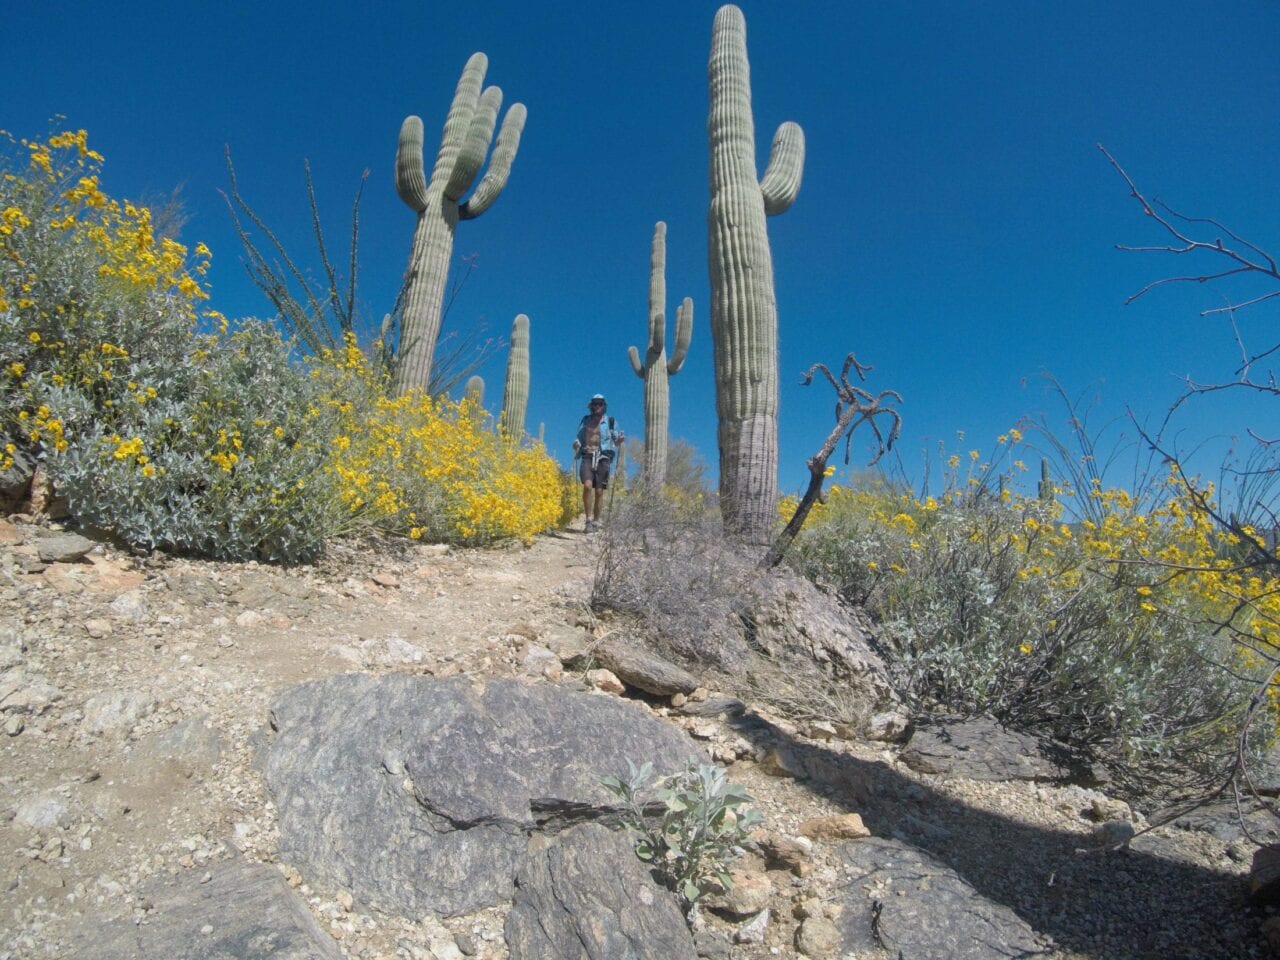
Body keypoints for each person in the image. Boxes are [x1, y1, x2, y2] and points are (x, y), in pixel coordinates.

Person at [572, 394, 624, 532]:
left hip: (604, 457)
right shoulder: (585, 420)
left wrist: (619, 440)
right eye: (595, 403)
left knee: (600, 491)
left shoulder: (610, 421)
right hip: (587, 454)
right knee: (588, 486)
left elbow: (616, 440)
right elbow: (579, 437)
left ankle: (596, 521)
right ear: (591, 406)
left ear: (604, 406)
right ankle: (588, 520)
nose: (597, 406)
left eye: (600, 404)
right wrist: (576, 444)